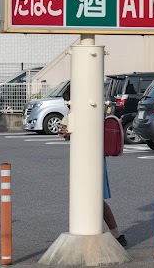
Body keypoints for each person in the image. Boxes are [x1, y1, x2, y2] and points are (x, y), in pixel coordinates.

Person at [59, 89, 127, 248]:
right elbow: (65, 132)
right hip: (87, 159)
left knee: (94, 198)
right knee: (93, 198)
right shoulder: (78, 114)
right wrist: (67, 133)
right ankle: (116, 234)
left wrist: (69, 133)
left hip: (90, 159)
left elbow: (73, 133)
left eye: (68, 102)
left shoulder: (89, 112)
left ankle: (114, 234)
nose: (68, 105)